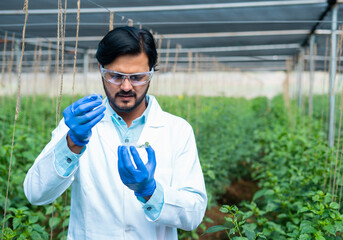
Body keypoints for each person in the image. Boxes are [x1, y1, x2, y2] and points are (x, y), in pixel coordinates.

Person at [23, 26, 207, 240]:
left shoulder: (177, 131)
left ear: (152, 73)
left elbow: (194, 214)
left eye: (138, 77)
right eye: (116, 76)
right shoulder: (79, 125)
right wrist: (72, 143)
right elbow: (36, 193)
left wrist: (150, 191)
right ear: (101, 69)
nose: (127, 87)